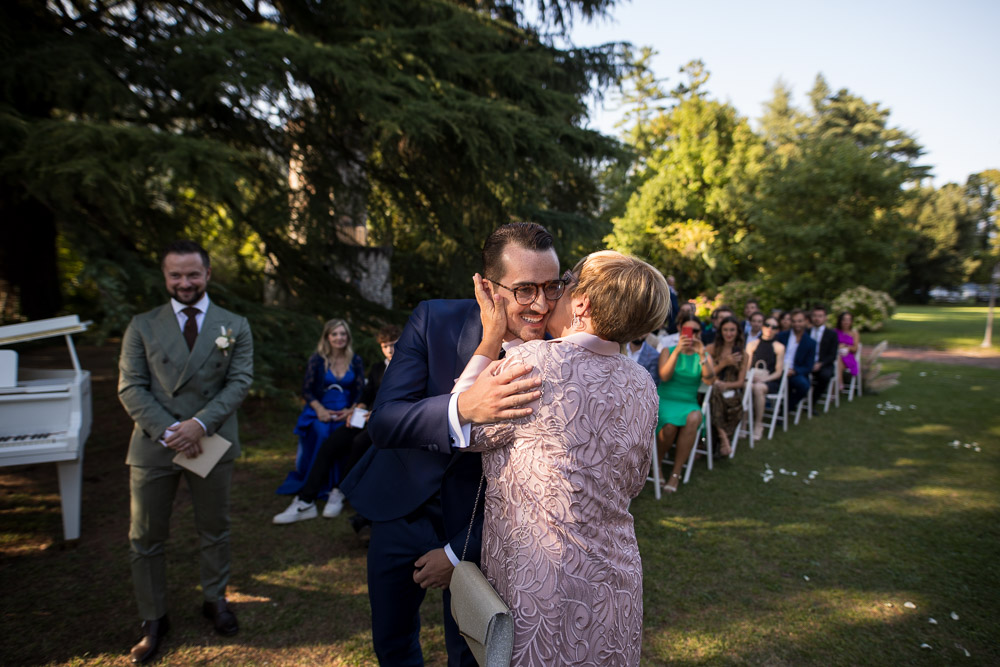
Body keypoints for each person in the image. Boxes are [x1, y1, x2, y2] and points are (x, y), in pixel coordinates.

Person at [339, 222, 558, 666]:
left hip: (486, 530)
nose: (541, 304)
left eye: (552, 287)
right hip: (398, 508)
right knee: (393, 642)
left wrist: (461, 550)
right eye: (525, 289)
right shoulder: (433, 319)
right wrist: (461, 410)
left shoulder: (564, 353)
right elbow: (385, 422)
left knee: (472, 651)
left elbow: (548, 487)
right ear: (487, 287)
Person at [462, 250, 668, 666]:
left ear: (582, 303)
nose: (549, 296)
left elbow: (464, 424)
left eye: (565, 283)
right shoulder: (643, 381)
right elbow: (634, 480)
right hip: (617, 579)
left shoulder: (532, 362)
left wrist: (490, 341)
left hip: (543, 579)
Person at [118, 240, 253, 664]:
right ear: (165, 277)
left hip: (210, 440)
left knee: (215, 528)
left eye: (192, 274)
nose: (184, 282)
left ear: (208, 274)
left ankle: (215, 600)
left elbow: (239, 381)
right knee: (145, 537)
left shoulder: (235, 324)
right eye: (175, 275)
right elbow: (130, 386)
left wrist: (199, 424)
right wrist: (172, 430)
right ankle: (153, 618)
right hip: (154, 443)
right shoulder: (142, 324)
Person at [273, 324, 400, 525]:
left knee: (359, 442)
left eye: (394, 345)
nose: (390, 350)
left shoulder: (408, 366)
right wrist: (357, 410)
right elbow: (366, 394)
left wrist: (373, 414)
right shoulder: (377, 367)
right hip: (364, 416)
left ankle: (339, 491)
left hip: (387, 420)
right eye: (385, 346)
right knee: (331, 442)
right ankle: (306, 499)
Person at [274, 318, 365, 516]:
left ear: (347, 337)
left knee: (344, 435)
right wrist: (320, 410)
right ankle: (316, 484)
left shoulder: (355, 359)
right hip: (320, 409)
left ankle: (337, 486)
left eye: (343, 334)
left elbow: (360, 390)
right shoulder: (317, 359)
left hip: (345, 410)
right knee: (323, 432)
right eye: (334, 334)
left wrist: (351, 409)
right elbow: (307, 390)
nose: (339, 338)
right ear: (327, 337)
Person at [656, 313, 716, 493]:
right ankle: (657, 464)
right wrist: (677, 352)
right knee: (670, 426)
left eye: (696, 331)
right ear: (681, 331)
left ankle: (675, 473)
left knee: (694, 417)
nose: (692, 334)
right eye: (687, 330)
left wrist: (702, 354)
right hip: (666, 399)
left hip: (688, 401)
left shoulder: (703, 355)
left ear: (700, 333)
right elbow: (664, 376)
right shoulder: (668, 350)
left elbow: (710, 380)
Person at [706, 316, 746, 457]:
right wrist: (724, 363)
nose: (729, 333)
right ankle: (724, 438)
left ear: (737, 332)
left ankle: (716, 439)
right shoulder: (711, 349)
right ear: (720, 331)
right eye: (726, 330)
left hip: (730, 393)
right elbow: (706, 374)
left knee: (716, 394)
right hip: (710, 389)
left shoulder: (743, 354)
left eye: (732, 330)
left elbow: (741, 382)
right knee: (714, 391)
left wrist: (726, 385)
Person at [744, 316, 786, 439]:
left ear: (777, 330)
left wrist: (764, 379)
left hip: (769, 381)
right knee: (748, 386)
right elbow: (746, 367)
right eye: (767, 325)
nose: (769, 329)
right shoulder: (752, 345)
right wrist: (751, 377)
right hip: (752, 377)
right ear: (763, 326)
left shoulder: (779, 347)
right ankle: (744, 422)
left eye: (773, 327)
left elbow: (778, 372)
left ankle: (758, 424)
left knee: (758, 388)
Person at [776, 309, 816, 409]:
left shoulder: (810, 342)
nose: (796, 324)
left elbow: (809, 366)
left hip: (795, 372)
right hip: (778, 369)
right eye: (794, 321)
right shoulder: (781, 336)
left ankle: (785, 408)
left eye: (799, 321)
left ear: (805, 321)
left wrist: (794, 371)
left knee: (804, 386)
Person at [809, 305, 839, 406]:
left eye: (820, 316)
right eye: (815, 315)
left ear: (825, 318)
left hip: (824, 364)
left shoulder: (831, 334)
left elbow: (832, 355)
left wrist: (820, 364)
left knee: (824, 376)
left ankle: (812, 402)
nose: (817, 318)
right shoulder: (806, 332)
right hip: (807, 363)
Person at [834, 311, 861, 389]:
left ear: (851, 321)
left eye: (848, 320)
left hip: (848, 357)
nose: (846, 322)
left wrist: (846, 347)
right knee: (837, 359)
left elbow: (855, 348)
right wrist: (838, 346)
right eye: (844, 320)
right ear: (840, 321)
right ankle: (838, 386)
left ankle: (837, 385)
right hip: (836, 355)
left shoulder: (854, 333)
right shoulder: (834, 332)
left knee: (837, 362)